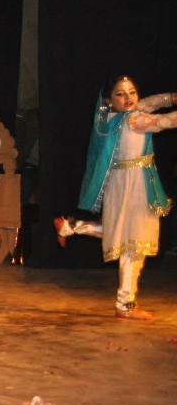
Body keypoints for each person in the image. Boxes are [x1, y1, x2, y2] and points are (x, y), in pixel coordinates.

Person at [55, 75, 177, 320]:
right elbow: (165, 121)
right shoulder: (133, 119)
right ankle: (125, 304)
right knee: (133, 243)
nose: (128, 98)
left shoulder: (114, 118)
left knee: (120, 231)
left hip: (127, 182)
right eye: (121, 94)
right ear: (109, 101)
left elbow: (149, 103)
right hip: (133, 185)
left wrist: (171, 98)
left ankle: (72, 226)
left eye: (131, 92)